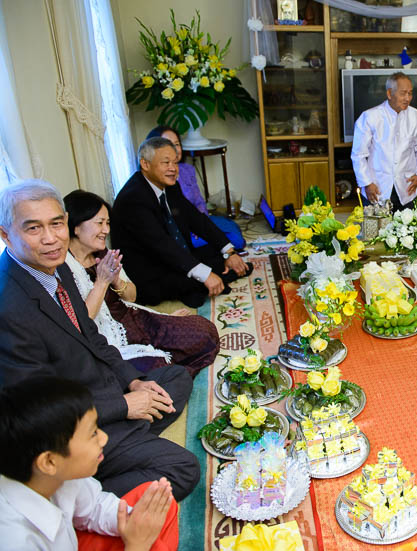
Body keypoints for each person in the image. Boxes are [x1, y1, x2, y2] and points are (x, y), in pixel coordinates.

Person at [0, 180, 199, 501]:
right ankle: (77, 496)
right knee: (184, 467)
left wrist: (133, 384)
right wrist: (122, 406)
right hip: (71, 425)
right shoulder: (8, 307)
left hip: (99, 390)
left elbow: (90, 334)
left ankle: (128, 434)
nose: (50, 238)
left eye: (56, 224)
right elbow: (37, 411)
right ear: (6, 234)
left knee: (175, 377)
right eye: (33, 228)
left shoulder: (57, 264)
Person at [0, 377, 178, 551]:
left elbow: (94, 507)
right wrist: (137, 545)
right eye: (93, 433)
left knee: (158, 505)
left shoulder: (61, 473)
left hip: (75, 540)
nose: (104, 438)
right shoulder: (16, 540)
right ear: (49, 461)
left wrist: (135, 522)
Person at [64, 190, 219, 376]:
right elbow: (80, 320)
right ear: (75, 226)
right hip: (113, 338)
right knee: (157, 368)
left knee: (205, 331)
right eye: (99, 223)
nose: (106, 230)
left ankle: (167, 347)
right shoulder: (64, 268)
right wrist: (102, 282)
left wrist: (115, 281)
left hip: (135, 319)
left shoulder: (104, 254)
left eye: (108, 223)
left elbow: (132, 296)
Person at [111, 137, 251, 308]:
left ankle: (200, 284)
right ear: (145, 164)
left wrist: (229, 252)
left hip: (173, 255)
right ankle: (196, 287)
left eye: (175, 162)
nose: (173, 169)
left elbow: (197, 219)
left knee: (225, 258)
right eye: (166, 162)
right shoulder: (133, 199)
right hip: (150, 271)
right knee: (208, 277)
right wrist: (206, 275)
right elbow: (161, 244)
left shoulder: (169, 186)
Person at [145, 126, 245, 251]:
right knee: (226, 240)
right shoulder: (156, 181)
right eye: (167, 145)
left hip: (196, 220)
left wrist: (198, 224)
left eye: (176, 144)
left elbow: (199, 202)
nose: (174, 150)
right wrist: (191, 228)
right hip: (180, 232)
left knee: (234, 233)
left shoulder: (187, 170)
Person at [351, 72, 417, 210]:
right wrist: (367, 183)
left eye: (410, 93)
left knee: (409, 229)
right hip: (377, 187)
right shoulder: (369, 117)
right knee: (376, 230)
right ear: (389, 93)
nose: (407, 98)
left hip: (407, 186)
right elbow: (358, 155)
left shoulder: (416, 116)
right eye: (403, 93)